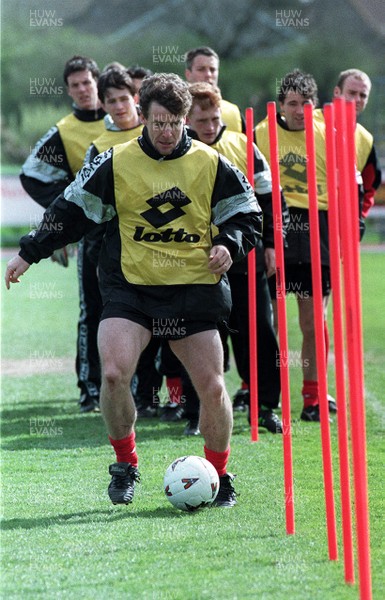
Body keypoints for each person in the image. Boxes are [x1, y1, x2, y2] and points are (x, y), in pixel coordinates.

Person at [6, 73, 263, 508]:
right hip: (132, 288)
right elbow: (69, 210)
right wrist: (28, 253)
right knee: (112, 373)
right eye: (157, 122)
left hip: (194, 289)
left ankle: (219, 474)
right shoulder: (114, 161)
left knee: (213, 387)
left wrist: (229, 243)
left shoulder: (211, 163)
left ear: (185, 120)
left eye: (174, 123)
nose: (166, 132)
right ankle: (126, 464)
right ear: (142, 116)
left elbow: (248, 214)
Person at [186, 82, 289, 433]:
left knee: (259, 330)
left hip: (244, 255)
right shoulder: (177, 152)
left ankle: (265, 407)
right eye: (203, 120)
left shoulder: (244, 145)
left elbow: (271, 198)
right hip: (192, 260)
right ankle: (194, 414)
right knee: (194, 333)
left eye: (215, 118)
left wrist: (273, 245)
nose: (211, 125)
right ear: (188, 119)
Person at [19, 55, 106, 413]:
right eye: (75, 85)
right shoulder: (64, 130)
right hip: (90, 235)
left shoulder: (126, 118)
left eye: (87, 82)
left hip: (133, 233)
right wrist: (64, 218)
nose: (83, 90)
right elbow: (30, 174)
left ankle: (140, 388)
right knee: (92, 311)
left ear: (97, 82)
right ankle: (89, 389)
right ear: (68, 90)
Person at [256, 69, 341, 422]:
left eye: (305, 104)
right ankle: (262, 393)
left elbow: (346, 185)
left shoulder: (328, 133)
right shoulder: (261, 133)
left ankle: (313, 396)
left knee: (312, 319)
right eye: (292, 103)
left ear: (315, 105)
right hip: (277, 223)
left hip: (316, 226)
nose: (298, 110)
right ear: (281, 104)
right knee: (268, 316)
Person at [322, 69, 381, 221]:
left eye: (363, 95)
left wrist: (358, 219)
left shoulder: (365, 139)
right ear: (337, 92)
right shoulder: (312, 123)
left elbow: (370, 186)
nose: (357, 99)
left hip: (343, 225)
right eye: (352, 93)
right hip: (306, 218)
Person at [185, 46, 245, 133]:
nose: (208, 74)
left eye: (212, 70)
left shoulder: (234, 112)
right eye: (201, 69)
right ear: (188, 74)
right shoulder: (175, 112)